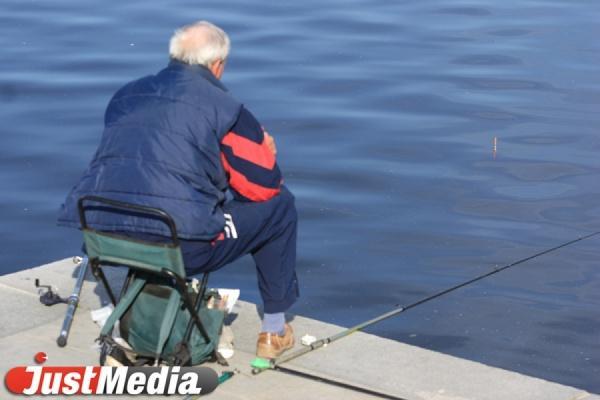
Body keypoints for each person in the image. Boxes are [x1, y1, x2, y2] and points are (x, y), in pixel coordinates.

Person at [57, 20, 298, 359]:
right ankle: (274, 331)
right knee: (281, 207)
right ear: (218, 65)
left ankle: (145, 306)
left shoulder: (126, 95)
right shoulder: (225, 108)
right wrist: (266, 156)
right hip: (176, 246)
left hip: (102, 239)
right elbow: (262, 189)